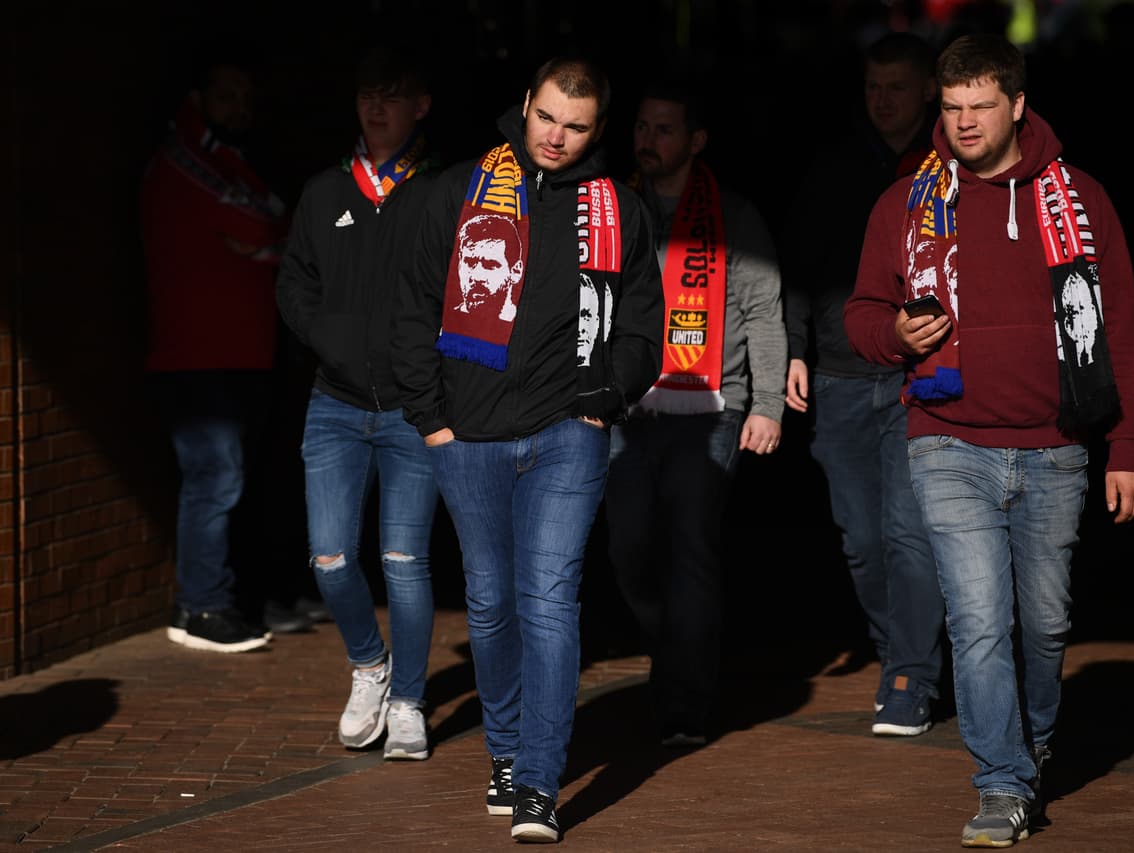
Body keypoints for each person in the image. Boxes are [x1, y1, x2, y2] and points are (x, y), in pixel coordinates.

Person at [845, 33, 1134, 847]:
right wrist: (896, 336)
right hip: (946, 438)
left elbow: (1120, 327)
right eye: (951, 109)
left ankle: (1034, 740)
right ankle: (1002, 781)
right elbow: (861, 312)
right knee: (979, 618)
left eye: (982, 106)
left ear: (1018, 105)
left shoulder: (1079, 200)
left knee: (1044, 623)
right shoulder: (908, 203)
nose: (965, 122)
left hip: (1056, 446)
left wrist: (1129, 445)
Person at [390, 56, 663, 843]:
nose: (557, 137)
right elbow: (409, 309)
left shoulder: (621, 211)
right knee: (489, 601)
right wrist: (432, 422)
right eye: (547, 118)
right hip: (465, 438)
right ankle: (506, 751)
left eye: (576, 127)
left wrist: (602, 401)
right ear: (525, 108)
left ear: (599, 131)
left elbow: (644, 325)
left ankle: (539, 781)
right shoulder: (458, 193)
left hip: (565, 437)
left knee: (548, 600)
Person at [605, 79, 786, 748]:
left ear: (696, 140)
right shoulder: (612, 209)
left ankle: (684, 705)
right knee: (628, 545)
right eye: (642, 127)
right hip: (628, 409)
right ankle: (673, 642)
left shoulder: (734, 215)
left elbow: (764, 313)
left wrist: (767, 405)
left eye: (664, 129)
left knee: (690, 543)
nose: (648, 141)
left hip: (713, 410)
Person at [274, 45, 440, 761]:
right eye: (368, 93)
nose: (377, 107)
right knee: (331, 558)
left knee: (404, 559)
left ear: (421, 105)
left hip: (413, 410)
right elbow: (293, 286)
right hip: (335, 405)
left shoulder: (442, 191)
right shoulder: (323, 192)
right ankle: (370, 667)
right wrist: (332, 339)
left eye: (394, 93)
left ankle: (407, 699)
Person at [781, 30, 946, 737]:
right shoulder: (834, 166)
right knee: (862, 538)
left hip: (922, 377)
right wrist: (792, 347)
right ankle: (898, 649)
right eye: (873, 87)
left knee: (912, 534)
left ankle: (911, 672)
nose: (883, 100)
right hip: (842, 374)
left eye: (897, 87)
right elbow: (792, 264)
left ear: (928, 91)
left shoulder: (950, 167)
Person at [141, 46, 288, 653]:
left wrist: (259, 241)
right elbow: (262, 226)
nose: (239, 108)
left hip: (241, 350)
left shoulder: (233, 161)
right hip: (195, 352)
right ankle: (201, 608)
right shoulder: (183, 157)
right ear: (198, 99)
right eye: (226, 95)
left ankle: (216, 598)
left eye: (246, 98)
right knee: (215, 477)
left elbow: (275, 219)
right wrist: (259, 240)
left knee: (234, 480)